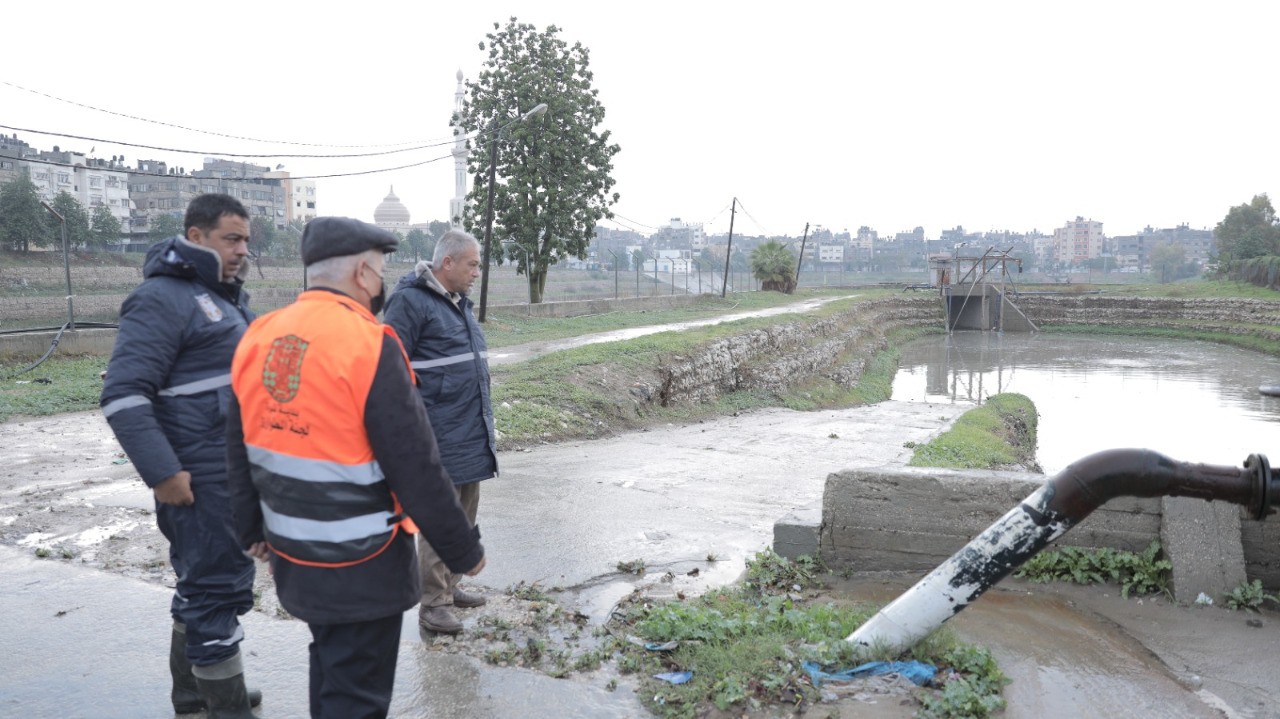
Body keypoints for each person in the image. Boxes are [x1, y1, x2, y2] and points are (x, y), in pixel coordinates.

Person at [226, 217, 485, 719]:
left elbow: (237, 445)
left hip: (292, 552)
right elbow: (414, 461)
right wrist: (462, 549)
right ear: (364, 273)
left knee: (331, 667)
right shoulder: (369, 343)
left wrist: (251, 529)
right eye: (381, 270)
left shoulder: (260, 334)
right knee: (357, 697)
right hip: (361, 561)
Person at [99, 193, 261, 717]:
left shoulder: (224, 297)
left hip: (230, 470)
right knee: (217, 589)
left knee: (205, 584)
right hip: (199, 476)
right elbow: (123, 396)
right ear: (196, 237)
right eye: (230, 238)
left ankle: (193, 692)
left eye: (245, 241)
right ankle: (226, 706)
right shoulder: (162, 298)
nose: (242, 250)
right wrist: (163, 473)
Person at [382, 228, 497, 635]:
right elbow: (391, 369)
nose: (476, 273)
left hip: (468, 427)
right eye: (472, 264)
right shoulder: (410, 302)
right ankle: (433, 603)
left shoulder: (457, 303)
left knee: (465, 512)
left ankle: (450, 584)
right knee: (439, 518)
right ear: (446, 263)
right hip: (436, 431)